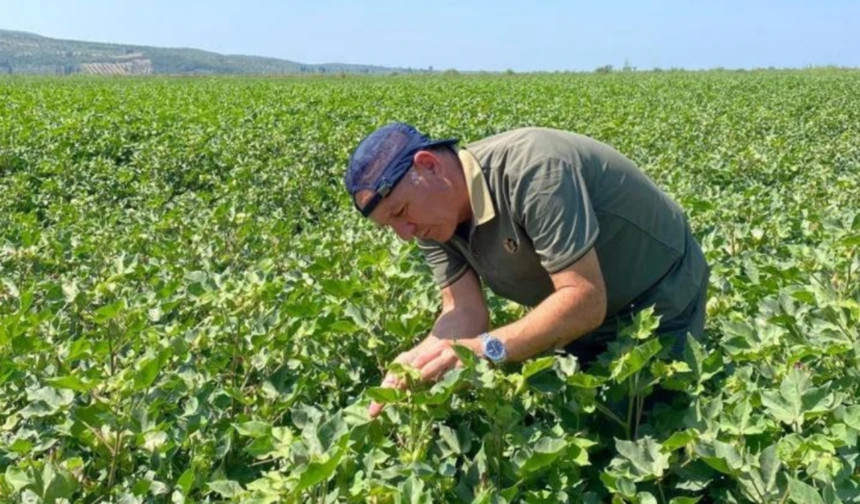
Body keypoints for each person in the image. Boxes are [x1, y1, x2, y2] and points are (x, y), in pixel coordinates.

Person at [344, 123, 709, 417]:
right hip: (575, 311)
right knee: (584, 424)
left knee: (647, 429)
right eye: (389, 226)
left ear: (429, 165)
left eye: (400, 212)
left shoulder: (533, 169)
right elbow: (463, 311)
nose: (404, 234)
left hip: (659, 295)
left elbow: (585, 300)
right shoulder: (431, 220)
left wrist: (485, 349)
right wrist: (419, 359)